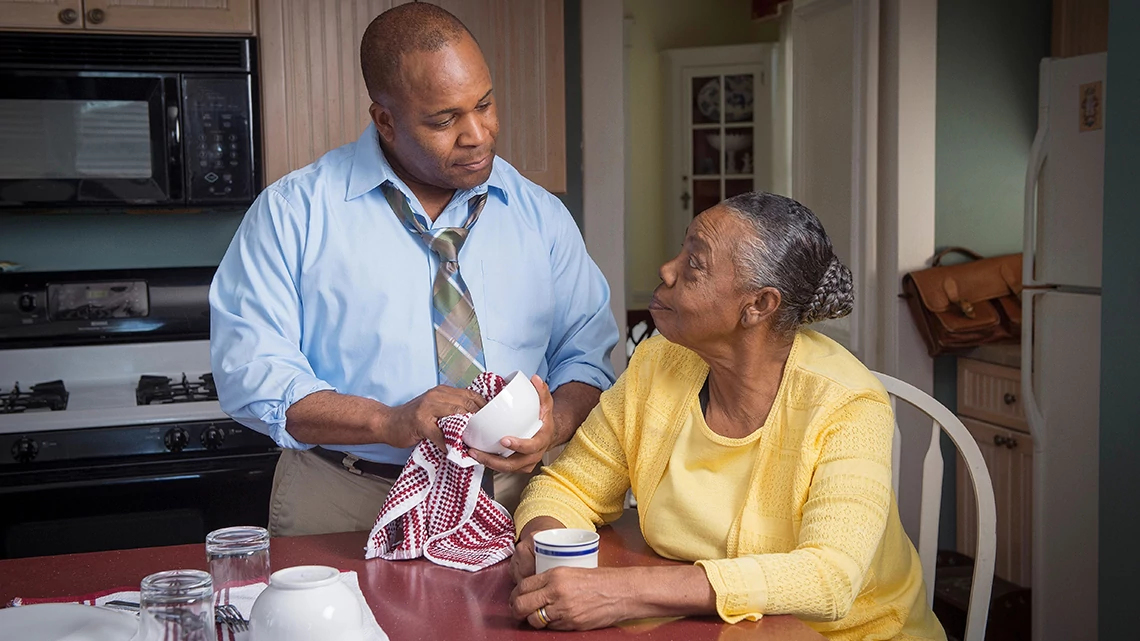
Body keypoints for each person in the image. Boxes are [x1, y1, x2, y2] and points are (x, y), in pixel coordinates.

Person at [209, 3, 618, 537]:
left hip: (518, 497)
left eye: (485, 105)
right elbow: (253, 376)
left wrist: (556, 424)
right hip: (346, 499)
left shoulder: (540, 215)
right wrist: (388, 421)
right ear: (385, 120)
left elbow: (586, 355)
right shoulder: (293, 213)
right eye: (445, 120)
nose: (477, 134)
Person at [508, 193, 947, 640]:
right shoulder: (659, 362)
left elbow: (829, 579)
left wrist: (624, 591)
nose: (667, 269)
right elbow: (568, 486)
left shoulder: (847, 404)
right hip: (706, 628)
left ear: (758, 305)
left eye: (694, 263)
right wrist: (545, 546)